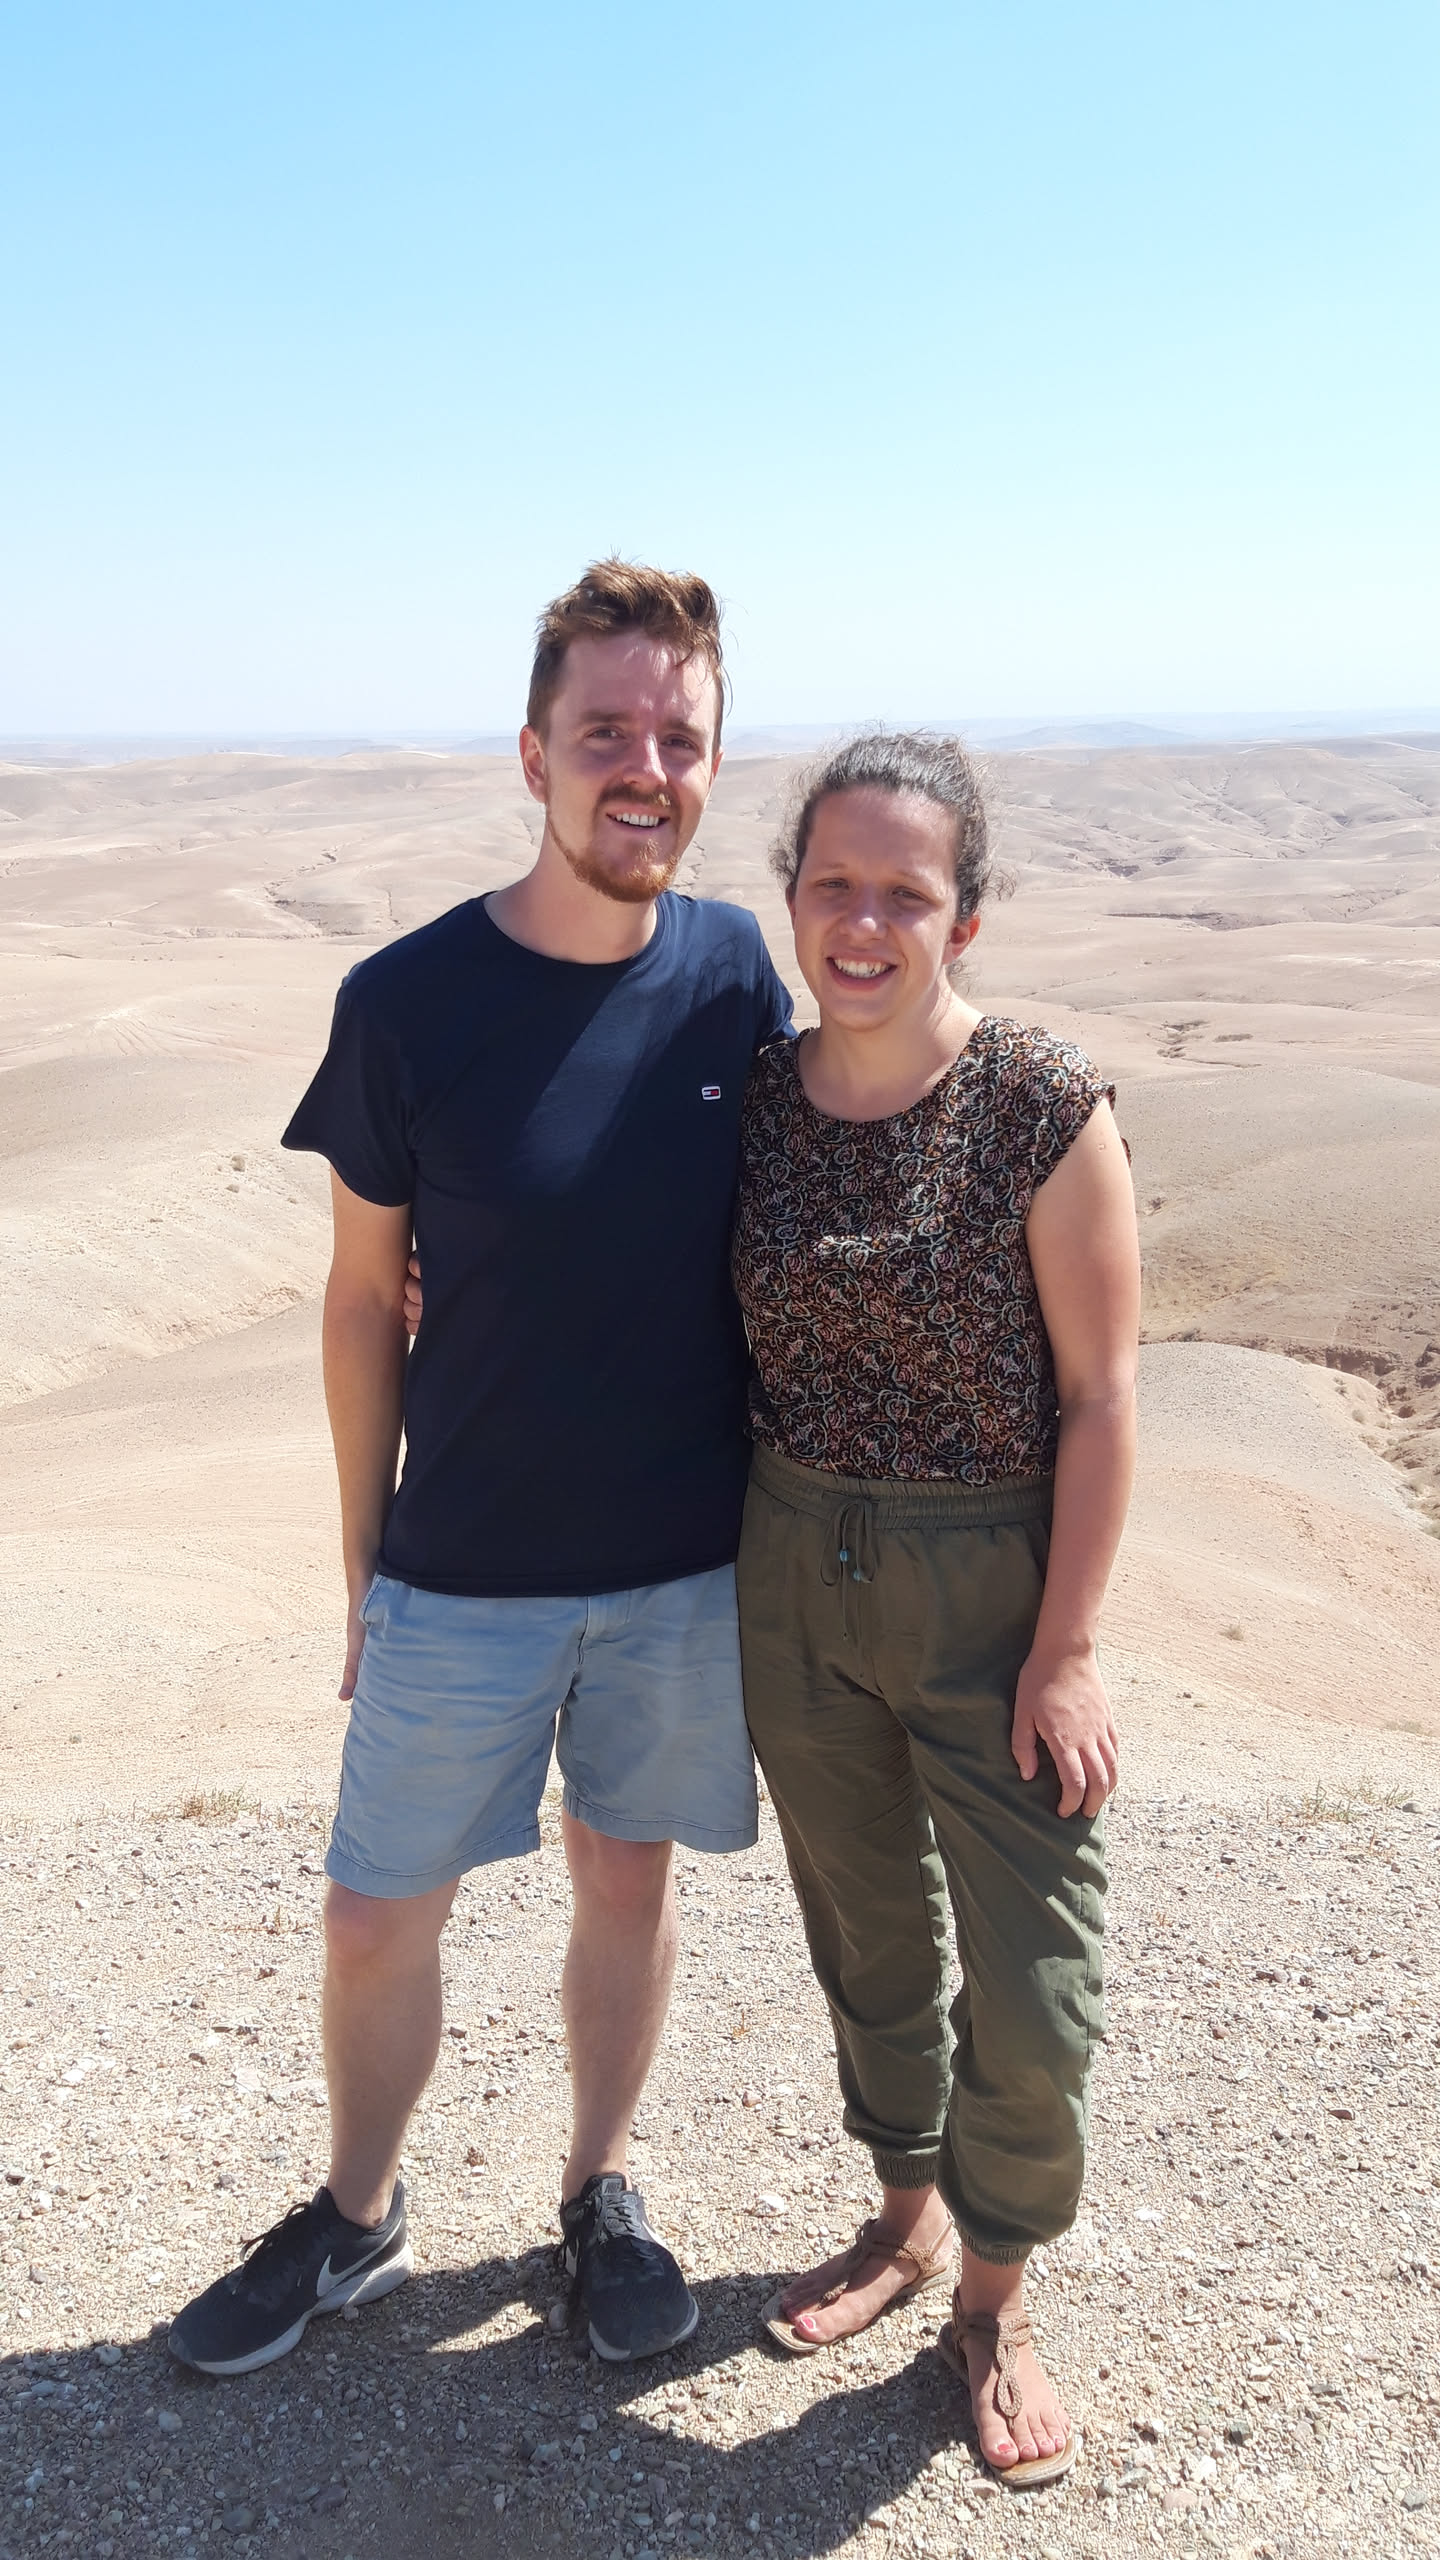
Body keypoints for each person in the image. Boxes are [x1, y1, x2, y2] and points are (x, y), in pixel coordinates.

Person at [167, 560, 792, 2378]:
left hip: (678, 1564)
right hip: (461, 1560)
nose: (645, 768)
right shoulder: (407, 1000)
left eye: (679, 737)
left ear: (710, 762)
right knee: (376, 1912)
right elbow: (365, 1298)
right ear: (534, 755)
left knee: (628, 1880)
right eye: (607, 732)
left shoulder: (737, 977)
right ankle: (358, 2212)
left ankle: (599, 2191)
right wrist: (363, 1559)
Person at [730, 733, 1139, 2490]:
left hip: (992, 1588)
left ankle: (994, 2296)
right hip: (789, 1566)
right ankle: (904, 2220)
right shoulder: (754, 1100)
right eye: (834, 883)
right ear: (791, 898)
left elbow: (1103, 1398)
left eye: (905, 891)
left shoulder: (1042, 1104)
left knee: (1037, 1986)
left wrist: (1067, 1647)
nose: (865, 921)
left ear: (964, 914)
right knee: (868, 1932)